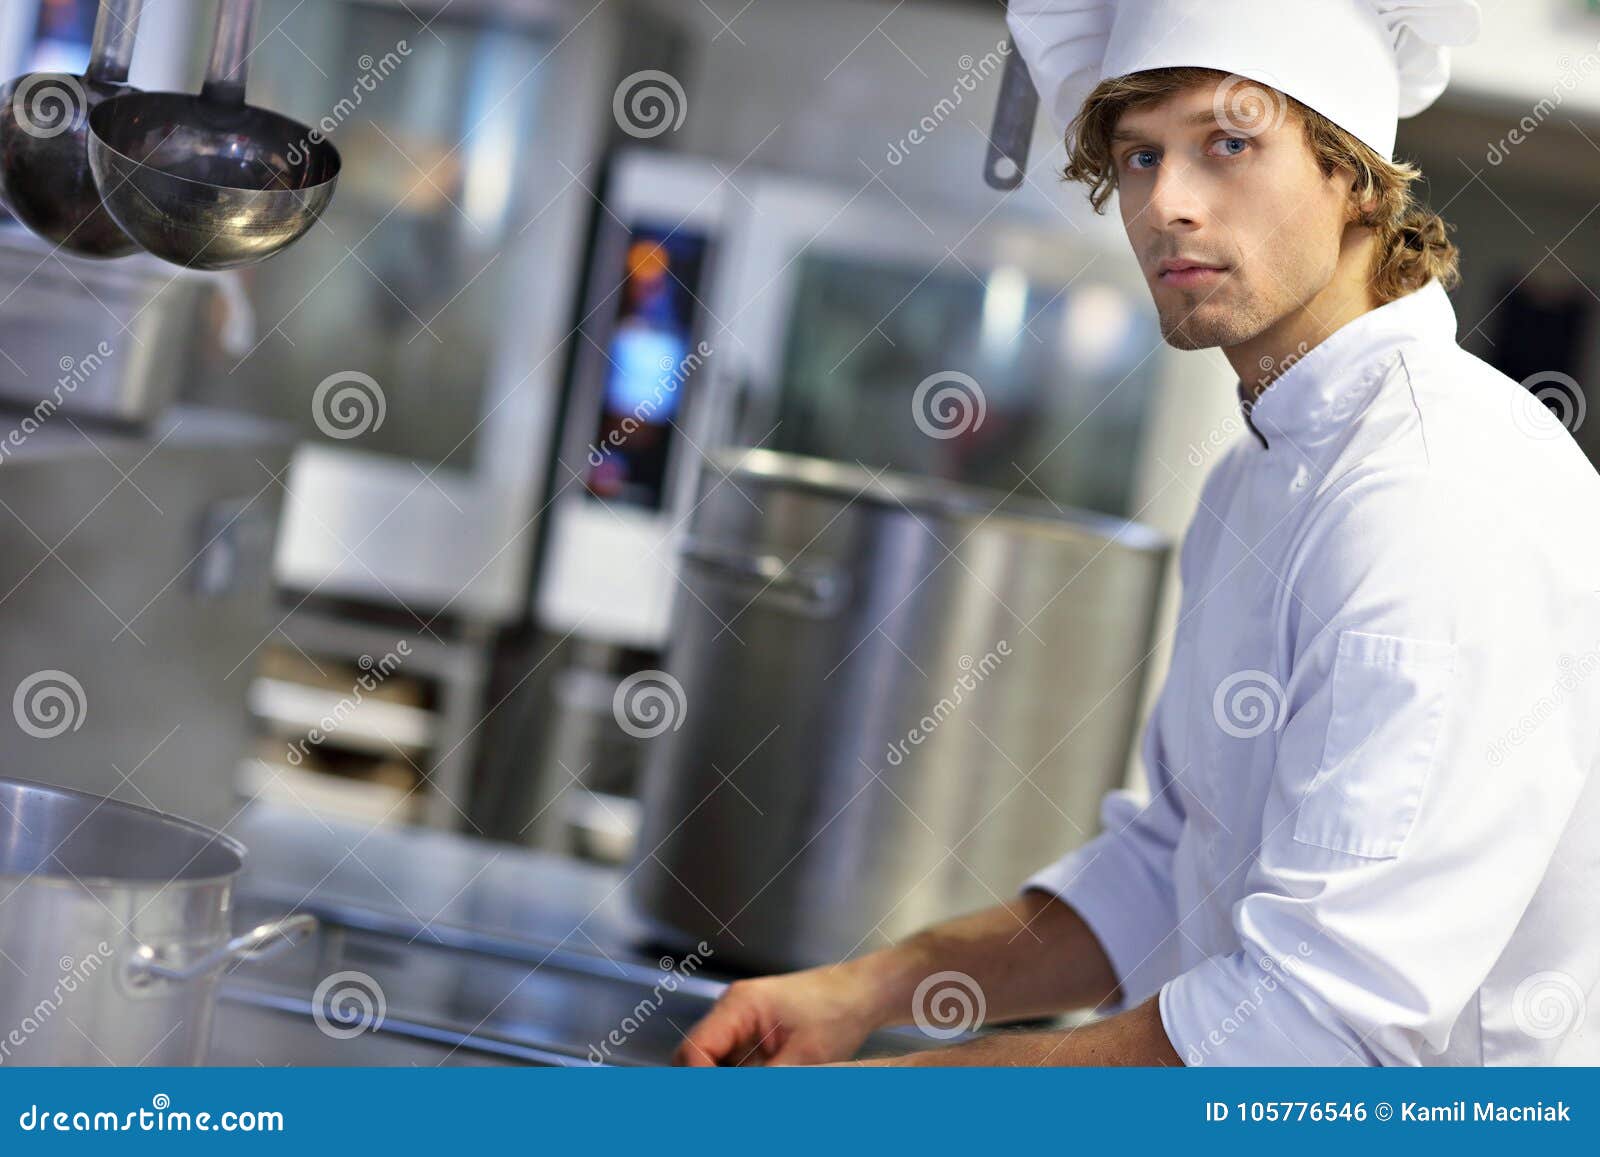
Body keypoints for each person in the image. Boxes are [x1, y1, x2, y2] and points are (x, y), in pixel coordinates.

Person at [674, 0, 1600, 1066]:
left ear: (1351, 172)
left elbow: (1316, 1025)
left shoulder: (1434, 495)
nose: (1168, 205)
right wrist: (862, 989)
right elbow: (1170, 865)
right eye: (1139, 157)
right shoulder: (1257, 474)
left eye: (1228, 144)